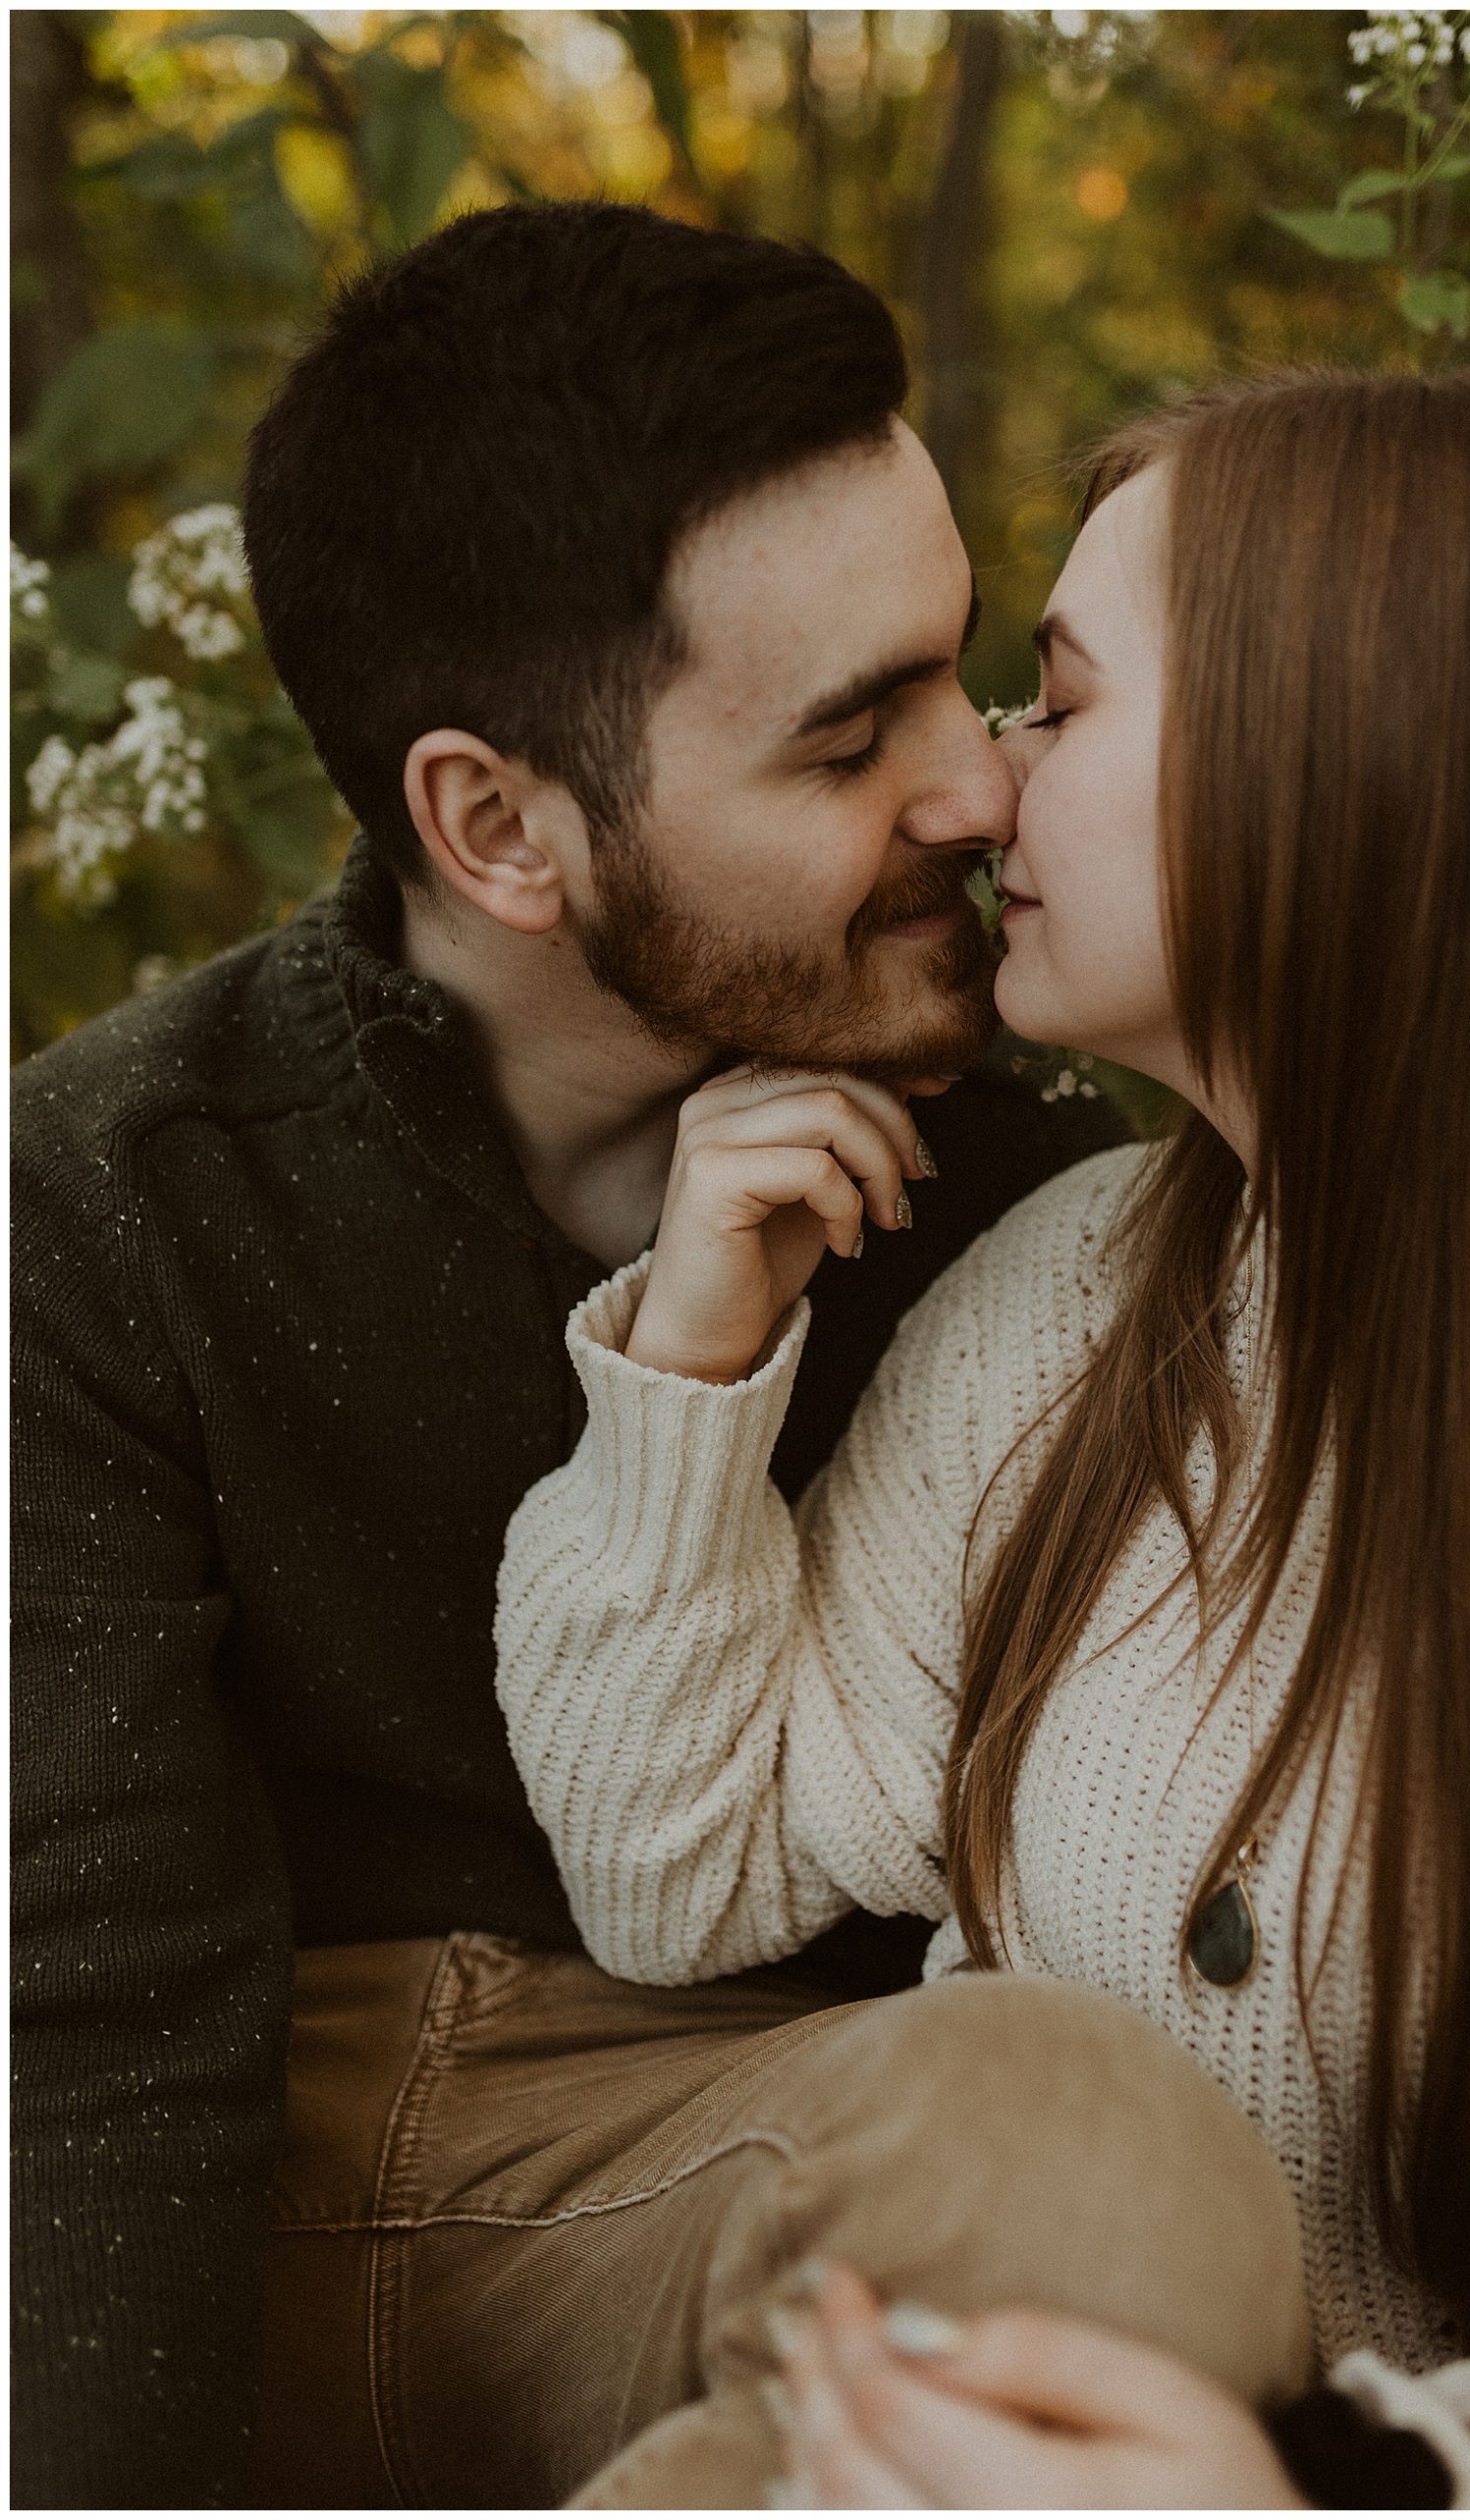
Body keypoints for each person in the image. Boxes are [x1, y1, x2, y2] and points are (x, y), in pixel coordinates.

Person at [498, 367, 1470, 2507]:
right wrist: (690, 1371)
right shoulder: (1080, 1299)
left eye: (1057, 705)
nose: (979, 786)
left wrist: (1328, 2493)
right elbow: (675, 1866)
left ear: (1342, 764)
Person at [10, 201, 1130, 2509]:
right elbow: (87, 2050)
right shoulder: (100, 1209)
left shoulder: (1037, 1182)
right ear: (496, 824)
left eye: (960, 668)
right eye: (848, 738)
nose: (978, 784)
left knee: (1091, 2162)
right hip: (255, 2206)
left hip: (789, 2201)